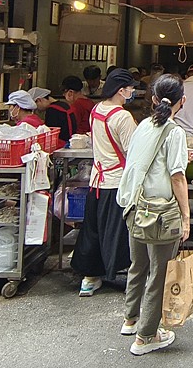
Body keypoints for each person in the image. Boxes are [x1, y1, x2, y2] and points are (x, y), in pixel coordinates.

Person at [116, 74, 190, 356]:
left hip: (135, 205)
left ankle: (130, 318)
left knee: (138, 265)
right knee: (159, 272)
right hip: (159, 212)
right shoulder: (174, 132)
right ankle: (146, 336)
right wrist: (185, 217)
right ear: (182, 101)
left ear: (155, 99)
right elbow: (177, 178)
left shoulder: (143, 125)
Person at [73, 68, 137, 297]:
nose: (132, 92)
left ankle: (90, 278)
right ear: (121, 91)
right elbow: (133, 153)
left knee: (94, 230)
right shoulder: (123, 117)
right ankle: (128, 275)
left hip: (97, 180)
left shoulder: (96, 110)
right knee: (119, 232)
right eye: (130, 89)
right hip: (117, 181)